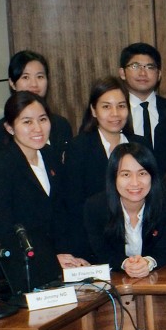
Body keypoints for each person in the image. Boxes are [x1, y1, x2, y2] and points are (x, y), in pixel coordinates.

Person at [0, 90, 64, 291]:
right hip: (20, 272)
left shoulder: (50, 155)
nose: (37, 128)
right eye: (27, 122)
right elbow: (2, 231)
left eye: (42, 119)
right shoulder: (0, 169)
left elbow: (62, 211)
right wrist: (51, 258)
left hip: (56, 267)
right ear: (9, 127)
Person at [56, 78, 132, 263]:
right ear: (93, 110)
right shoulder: (78, 148)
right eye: (106, 107)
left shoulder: (140, 144)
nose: (115, 114)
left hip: (136, 247)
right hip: (92, 248)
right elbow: (74, 205)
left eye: (121, 106)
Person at [82, 142, 166, 277]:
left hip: (157, 279)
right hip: (115, 280)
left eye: (142, 173)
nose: (135, 183)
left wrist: (148, 262)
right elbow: (101, 251)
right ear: (114, 178)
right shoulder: (95, 207)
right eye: (126, 175)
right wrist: (125, 263)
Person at [0, 50, 74, 162]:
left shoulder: (61, 124)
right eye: (25, 77)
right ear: (12, 83)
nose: (34, 84)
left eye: (40, 77)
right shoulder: (1, 129)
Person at [120, 42, 166, 165]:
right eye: (135, 66)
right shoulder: (114, 113)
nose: (143, 73)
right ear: (122, 73)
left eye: (150, 67)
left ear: (159, 74)